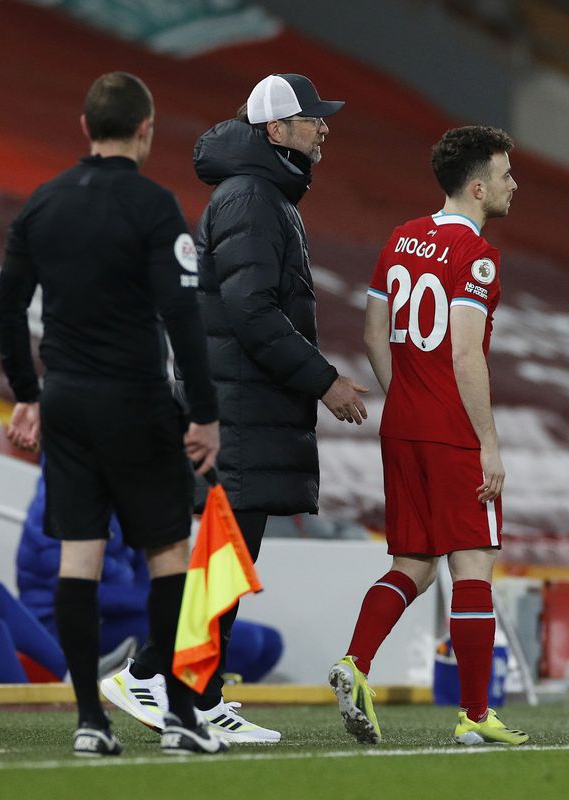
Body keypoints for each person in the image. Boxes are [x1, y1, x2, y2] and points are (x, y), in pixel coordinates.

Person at [104, 73, 367, 744]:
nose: (323, 127)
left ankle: (190, 688)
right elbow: (251, 312)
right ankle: (164, 682)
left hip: (241, 404)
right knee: (227, 556)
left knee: (227, 556)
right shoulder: (252, 198)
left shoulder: (259, 194)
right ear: (275, 130)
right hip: (239, 407)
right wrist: (324, 380)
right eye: (311, 118)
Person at [0, 71, 226, 756]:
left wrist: (26, 394)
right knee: (168, 552)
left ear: (85, 127)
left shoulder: (42, 204)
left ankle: (91, 721)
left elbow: (8, 310)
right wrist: (204, 413)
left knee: (79, 557)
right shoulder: (154, 207)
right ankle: (181, 716)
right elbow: (182, 314)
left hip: (64, 400)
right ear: (146, 129)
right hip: (135, 398)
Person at [329, 126, 528, 747]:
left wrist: (406, 398)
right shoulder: (479, 257)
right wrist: (488, 443)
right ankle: (474, 716)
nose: (511, 183)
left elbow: (371, 334)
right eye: (503, 174)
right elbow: (467, 354)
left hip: (404, 425)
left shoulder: (401, 238)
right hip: (451, 430)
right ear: (477, 187)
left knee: (411, 563)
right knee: (472, 566)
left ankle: (355, 662)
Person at [14, 471, 284, 684]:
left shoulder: (121, 494)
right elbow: (71, 588)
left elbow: (147, 569)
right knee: (247, 641)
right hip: (60, 623)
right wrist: (164, 600)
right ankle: (180, 689)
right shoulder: (59, 494)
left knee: (268, 641)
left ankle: (197, 690)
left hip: (117, 615)